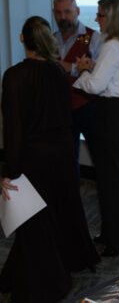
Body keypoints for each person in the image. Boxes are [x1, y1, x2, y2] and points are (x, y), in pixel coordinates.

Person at [0, 16, 100, 302]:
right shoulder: (58, 71)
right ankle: (55, 265)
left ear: (22, 39)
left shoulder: (15, 76)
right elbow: (66, 117)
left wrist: (10, 170)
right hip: (62, 153)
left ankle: (48, 280)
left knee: (33, 221)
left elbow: (14, 127)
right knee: (57, 213)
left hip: (33, 157)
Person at [73, 0, 119, 257]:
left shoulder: (112, 45)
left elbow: (95, 86)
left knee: (109, 180)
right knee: (115, 177)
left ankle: (115, 240)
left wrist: (82, 73)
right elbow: (115, 76)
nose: (96, 19)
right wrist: (94, 69)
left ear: (112, 18)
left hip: (111, 114)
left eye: (101, 15)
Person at [52, 0, 103, 168]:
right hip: (61, 107)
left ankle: (106, 195)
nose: (63, 17)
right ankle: (72, 195)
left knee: (100, 156)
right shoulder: (51, 39)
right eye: (58, 13)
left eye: (67, 12)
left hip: (89, 107)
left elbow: (100, 73)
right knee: (66, 159)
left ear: (77, 11)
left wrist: (70, 67)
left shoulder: (93, 37)